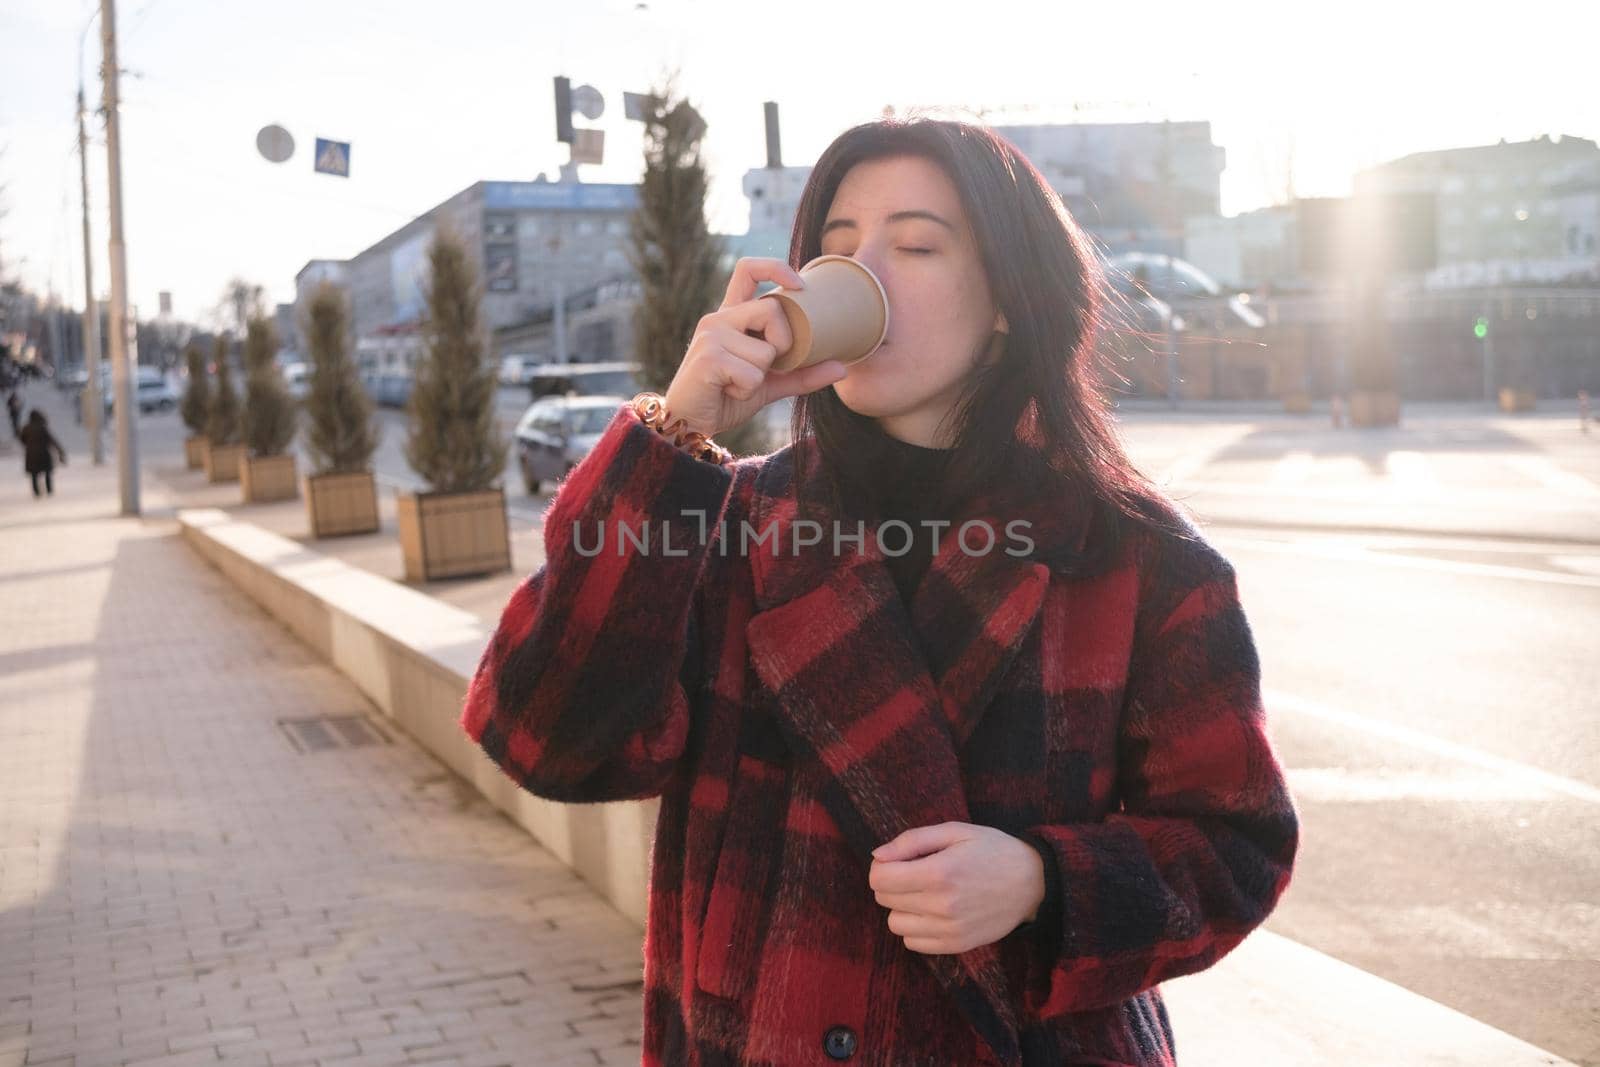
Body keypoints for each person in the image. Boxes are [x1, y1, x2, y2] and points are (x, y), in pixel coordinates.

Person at [460, 118, 1299, 1067]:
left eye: (915, 244)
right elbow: (540, 738)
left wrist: (1044, 881)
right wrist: (678, 432)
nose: (861, 275)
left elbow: (1238, 844)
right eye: (838, 246)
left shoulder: (1135, 558)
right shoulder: (724, 519)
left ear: (1007, 303)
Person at [19, 409, 67, 497]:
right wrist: (60, 451)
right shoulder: (42, 427)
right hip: (43, 454)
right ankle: (49, 491)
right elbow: (52, 440)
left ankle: (36, 492)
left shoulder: (26, 428)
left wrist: (29, 445)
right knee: (47, 473)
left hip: (31, 454)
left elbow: (22, 439)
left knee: (34, 474)